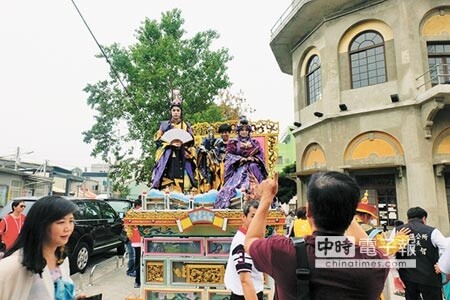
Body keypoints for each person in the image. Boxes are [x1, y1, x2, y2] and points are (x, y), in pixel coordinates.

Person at [245, 172, 389, 300]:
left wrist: (266, 197)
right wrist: (344, 208)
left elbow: (251, 241)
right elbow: (369, 248)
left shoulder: (283, 252)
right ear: (352, 214)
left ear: (308, 211)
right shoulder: (376, 265)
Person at [0, 196, 83, 299]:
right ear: (41, 225)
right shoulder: (12, 266)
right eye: (61, 222)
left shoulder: (62, 259)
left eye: (71, 221)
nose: (68, 228)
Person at [215, 117, 268, 208]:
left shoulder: (255, 143)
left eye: (246, 130)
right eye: (242, 130)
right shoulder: (233, 143)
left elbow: (261, 156)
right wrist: (240, 159)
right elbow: (229, 156)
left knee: (259, 183)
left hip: (253, 168)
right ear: (238, 131)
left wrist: (254, 159)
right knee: (231, 189)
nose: (244, 132)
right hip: (239, 169)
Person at [150, 89, 197, 193]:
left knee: (186, 178)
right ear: (171, 112)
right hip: (168, 156)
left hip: (182, 155)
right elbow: (158, 141)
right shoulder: (164, 125)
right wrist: (170, 144)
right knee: (165, 175)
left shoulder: (186, 125)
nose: (176, 113)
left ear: (181, 112)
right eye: (174, 110)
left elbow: (191, 141)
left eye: (178, 110)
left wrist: (182, 144)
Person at [396, 206, 447, 300]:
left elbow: (389, 253)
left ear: (408, 219)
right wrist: (442, 266)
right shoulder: (432, 231)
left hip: (407, 278)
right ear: (424, 218)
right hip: (430, 278)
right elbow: (448, 247)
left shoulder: (398, 231)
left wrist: (395, 275)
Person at [224, 200, 264, 300]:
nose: (256, 220)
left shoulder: (250, 239)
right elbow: (245, 280)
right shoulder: (241, 242)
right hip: (246, 295)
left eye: (259, 216)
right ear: (244, 217)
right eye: (253, 216)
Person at [129, 198, 143, 288]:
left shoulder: (132, 213)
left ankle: (139, 281)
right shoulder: (133, 214)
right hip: (138, 241)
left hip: (140, 240)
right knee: (139, 261)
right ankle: (138, 281)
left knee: (139, 260)